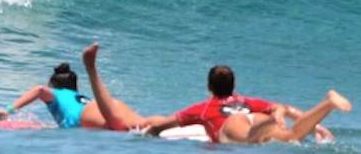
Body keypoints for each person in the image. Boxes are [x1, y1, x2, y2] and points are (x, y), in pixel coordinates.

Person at [0, 43, 169, 131]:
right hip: (105, 107)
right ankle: (172, 122)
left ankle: (90, 66)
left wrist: (8, 110)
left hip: (91, 114)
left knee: (129, 127)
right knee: (142, 124)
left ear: (53, 84)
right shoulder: (78, 97)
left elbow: (39, 90)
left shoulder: (56, 93)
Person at [146, 65, 349, 144]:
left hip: (234, 124)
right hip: (255, 117)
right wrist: (317, 127)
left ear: (209, 87)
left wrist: (146, 138)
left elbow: (162, 126)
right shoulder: (247, 101)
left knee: (247, 139)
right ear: (234, 86)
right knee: (291, 136)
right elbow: (287, 108)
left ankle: (272, 118)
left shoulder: (203, 108)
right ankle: (326, 104)